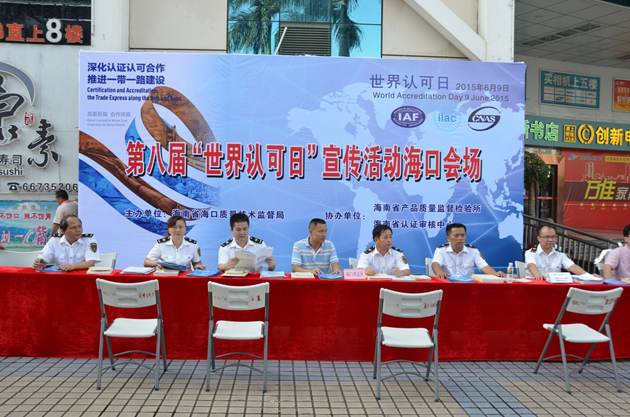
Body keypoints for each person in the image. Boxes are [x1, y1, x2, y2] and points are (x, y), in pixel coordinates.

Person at [432, 223, 505, 278]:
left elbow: (484, 266)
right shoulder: (441, 250)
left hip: (468, 286)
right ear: (448, 238)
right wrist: (439, 272)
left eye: (462, 235)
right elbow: (435, 264)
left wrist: (495, 274)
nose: (460, 238)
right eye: (456, 235)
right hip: (448, 285)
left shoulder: (473, 251)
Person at [33, 215, 100, 271]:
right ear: (63, 231)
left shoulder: (88, 239)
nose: (78, 230)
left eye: (79, 226)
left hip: (82, 277)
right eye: (73, 227)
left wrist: (72, 266)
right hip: (61, 277)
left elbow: (91, 263)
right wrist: (40, 263)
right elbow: (43, 259)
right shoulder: (55, 240)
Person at [525, 225, 591, 280]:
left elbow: (572, 267)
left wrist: (589, 276)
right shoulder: (530, 253)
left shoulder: (560, 254)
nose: (550, 240)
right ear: (539, 238)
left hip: (553, 287)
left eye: (553, 237)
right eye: (547, 237)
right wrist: (538, 275)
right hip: (535, 285)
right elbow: (531, 265)